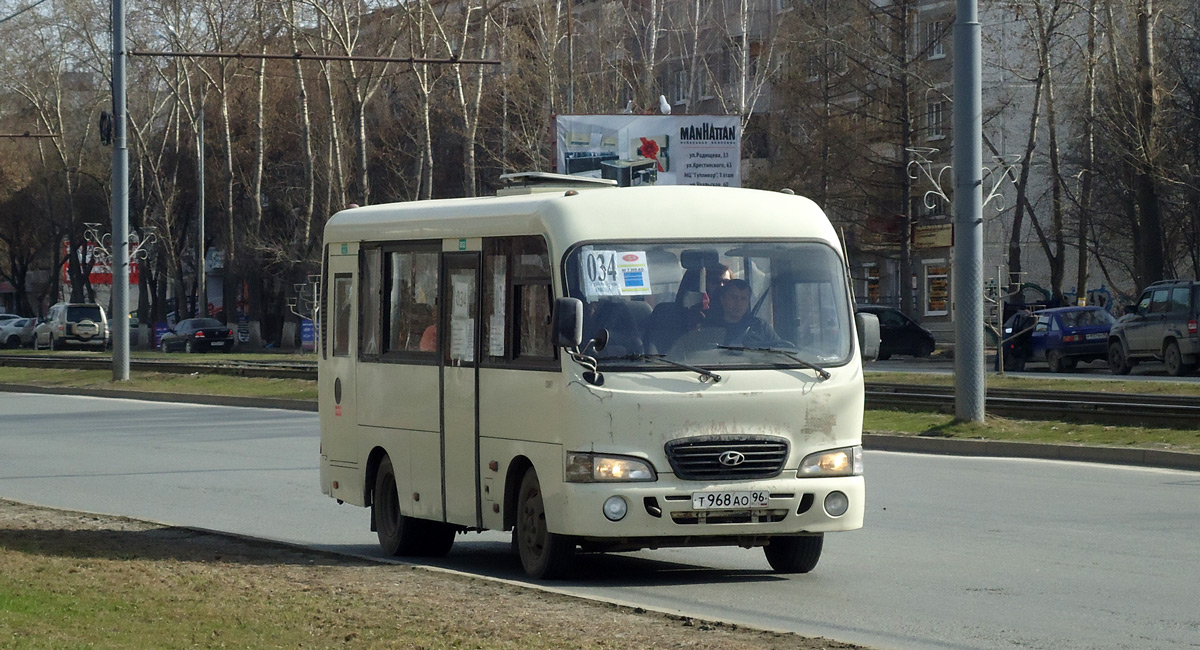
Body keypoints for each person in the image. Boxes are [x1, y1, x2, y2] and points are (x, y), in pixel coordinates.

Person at [708, 279, 791, 348]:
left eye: (743, 299)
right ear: (723, 299)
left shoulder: (760, 327)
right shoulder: (709, 327)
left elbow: (781, 350)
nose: (738, 303)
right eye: (734, 298)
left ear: (748, 302)